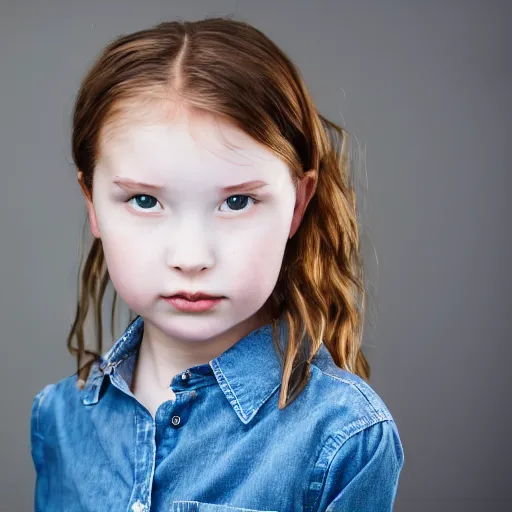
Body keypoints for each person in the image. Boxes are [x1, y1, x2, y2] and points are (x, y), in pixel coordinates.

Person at [30, 17, 404, 512]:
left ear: (297, 203)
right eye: (144, 200)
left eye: (236, 203)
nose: (191, 258)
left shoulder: (343, 437)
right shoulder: (59, 419)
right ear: (92, 204)